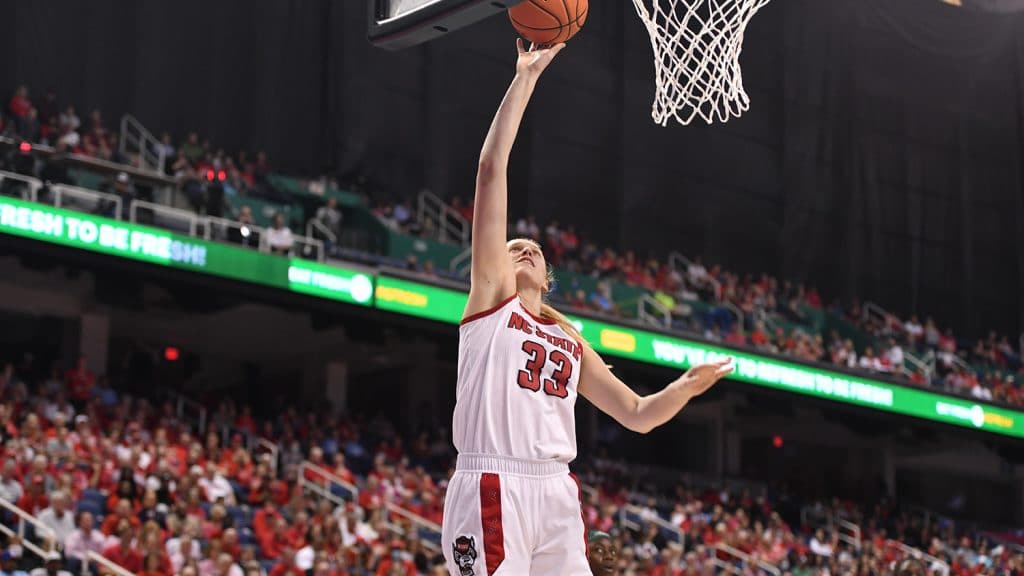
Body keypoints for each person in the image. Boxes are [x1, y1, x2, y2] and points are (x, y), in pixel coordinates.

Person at [440, 40, 733, 576]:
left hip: (556, 488)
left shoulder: (570, 337)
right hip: (492, 480)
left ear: (548, 276)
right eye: (511, 247)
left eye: (532, 247)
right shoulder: (489, 301)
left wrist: (685, 387)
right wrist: (524, 78)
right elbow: (489, 169)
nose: (522, 246)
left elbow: (636, 415)